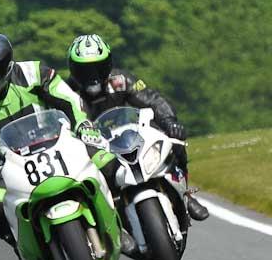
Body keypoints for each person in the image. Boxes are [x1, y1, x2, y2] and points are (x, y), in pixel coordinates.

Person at [0, 33, 136, 260]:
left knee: (110, 164)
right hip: (9, 164)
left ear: (7, 66)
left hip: (59, 143)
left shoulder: (34, 73)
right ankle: (21, 251)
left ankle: (120, 223)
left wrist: (83, 126)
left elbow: (69, 99)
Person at [66, 34, 209, 221]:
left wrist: (169, 120)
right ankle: (103, 220)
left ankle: (184, 193)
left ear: (107, 65)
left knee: (173, 138)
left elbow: (152, 99)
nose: (92, 76)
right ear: (73, 70)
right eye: (84, 70)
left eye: (98, 68)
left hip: (129, 134)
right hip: (94, 148)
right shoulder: (66, 92)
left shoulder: (121, 80)